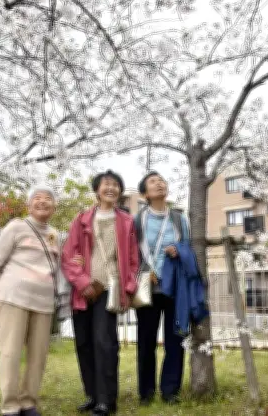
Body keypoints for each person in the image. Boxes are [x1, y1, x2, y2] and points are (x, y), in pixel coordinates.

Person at [61, 170, 140, 416]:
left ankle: (107, 400)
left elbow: (133, 260)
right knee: (84, 343)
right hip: (83, 291)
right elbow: (68, 256)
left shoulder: (126, 222)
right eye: (106, 184)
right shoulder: (81, 219)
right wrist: (82, 282)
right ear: (97, 190)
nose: (111, 188)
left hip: (110, 289)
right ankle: (92, 395)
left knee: (105, 343)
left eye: (116, 185)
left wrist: (128, 288)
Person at [0, 186, 62, 416]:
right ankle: (9, 405)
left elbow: (56, 268)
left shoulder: (55, 234)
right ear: (29, 205)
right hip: (13, 297)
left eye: (48, 199)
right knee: (10, 352)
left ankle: (28, 402)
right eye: (37, 198)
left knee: (38, 355)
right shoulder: (16, 227)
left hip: (44, 301)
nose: (43, 202)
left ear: (54, 207)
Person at [133, 172, 191, 406]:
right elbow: (131, 252)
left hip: (175, 285)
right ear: (145, 193)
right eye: (153, 182)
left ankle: (170, 391)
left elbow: (188, 247)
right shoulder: (137, 220)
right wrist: (147, 270)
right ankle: (146, 393)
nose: (159, 184)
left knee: (175, 340)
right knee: (146, 341)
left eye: (162, 181)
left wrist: (179, 251)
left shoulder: (179, 218)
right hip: (148, 286)